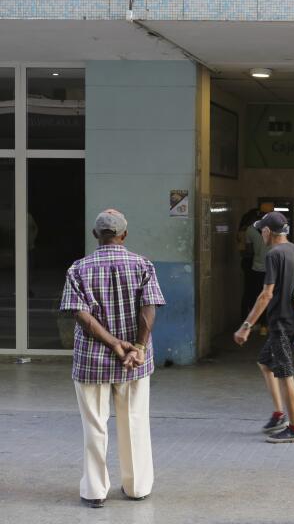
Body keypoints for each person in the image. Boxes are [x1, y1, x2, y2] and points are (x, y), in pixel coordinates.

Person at [59, 209, 166, 509]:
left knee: (94, 426)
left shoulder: (78, 268)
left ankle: (94, 491)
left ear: (96, 235)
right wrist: (137, 346)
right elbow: (149, 306)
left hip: (92, 360)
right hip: (135, 361)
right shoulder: (142, 264)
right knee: (134, 422)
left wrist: (112, 343)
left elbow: (80, 314)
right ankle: (137, 487)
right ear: (124, 234)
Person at [234, 211, 294, 444]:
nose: (261, 234)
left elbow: (266, 294)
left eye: (262, 230)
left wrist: (246, 325)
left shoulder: (274, 254)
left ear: (268, 231)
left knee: (285, 374)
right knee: (265, 363)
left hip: (281, 323)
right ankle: (279, 414)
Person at [244, 203, 274, 336]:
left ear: (259, 214)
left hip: (256, 268)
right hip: (272, 269)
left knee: (257, 297)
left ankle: (257, 324)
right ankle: (265, 326)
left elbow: (249, 251)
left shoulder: (250, 230)